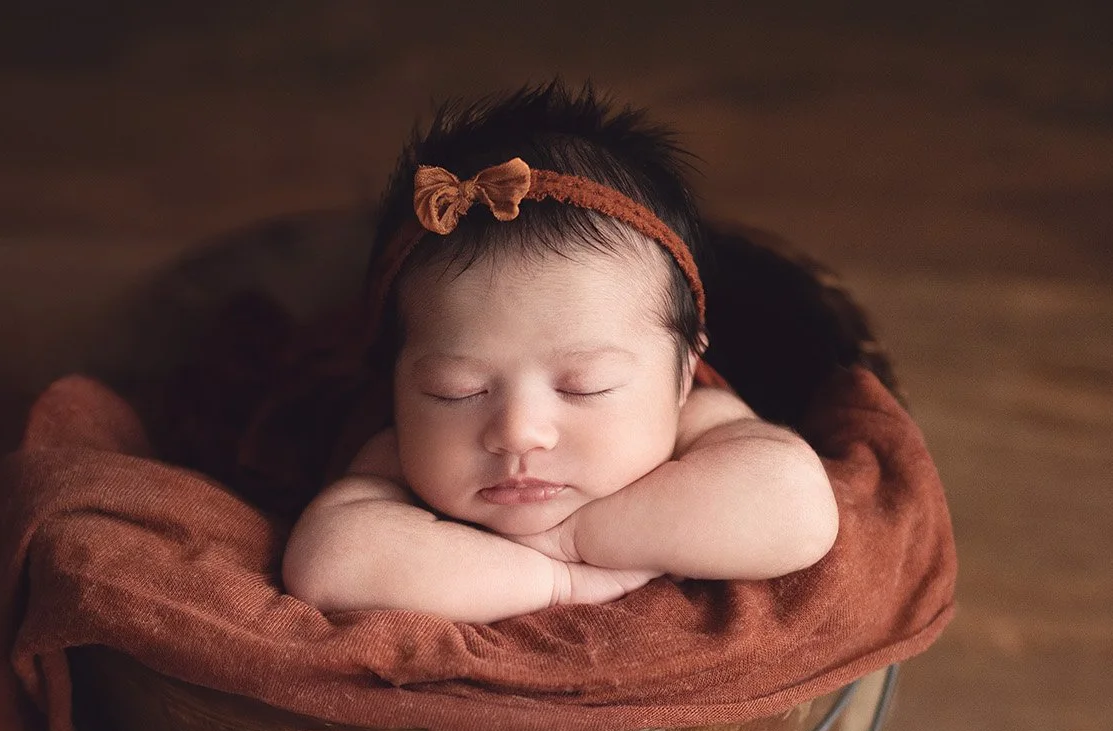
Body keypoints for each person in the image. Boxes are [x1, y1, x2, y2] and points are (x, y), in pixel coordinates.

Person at [282, 83, 839, 623]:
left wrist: (577, 537)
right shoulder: (397, 453)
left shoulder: (700, 421)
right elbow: (330, 563)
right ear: (397, 385)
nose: (519, 432)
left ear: (684, 373)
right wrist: (556, 581)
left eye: (584, 386)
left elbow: (797, 512)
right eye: (457, 391)